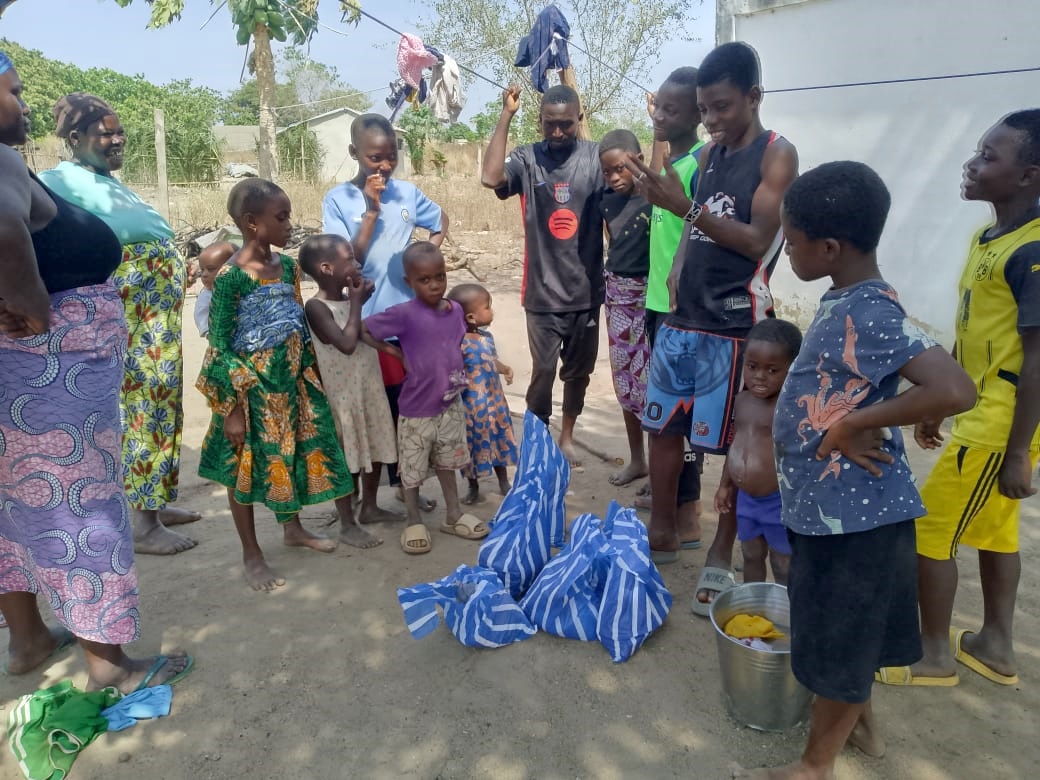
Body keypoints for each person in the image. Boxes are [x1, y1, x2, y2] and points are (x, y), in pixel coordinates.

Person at [740, 161, 976, 779]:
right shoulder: (855, 299)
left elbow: (955, 386)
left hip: (855, 527)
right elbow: (913, 359)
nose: (784, 249)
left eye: (789, 240)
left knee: (841, 644)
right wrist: (901, 406)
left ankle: (815, 766)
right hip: (836, 516)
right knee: (845, 640)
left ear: (828, 247)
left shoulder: (864, 309)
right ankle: (860, 724)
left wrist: (853, 424)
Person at [0, 52, 192, 691]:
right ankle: (109, 666)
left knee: (14, 508)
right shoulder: (1, 160)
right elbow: (6, 231)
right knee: (78, 507)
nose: (24, 104)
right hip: (47, 377)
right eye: (15, 91)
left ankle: (27, 641)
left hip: (29, 374)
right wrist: (28, 304)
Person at [627, 43, 799, 601]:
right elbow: (694, 233)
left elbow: (756, 240)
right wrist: (678, 267)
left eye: (721, 107)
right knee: (664, 427)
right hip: (684, 320)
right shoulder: (706, 158)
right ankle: (662, 529)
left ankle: (722, 546)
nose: (711, 120)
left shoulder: (777, 155)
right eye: (704, 109)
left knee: (737, 445)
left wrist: (685, 210)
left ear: (754, 97)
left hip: (737, 327)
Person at [877, 110, 1040, 688]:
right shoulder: (987, 237)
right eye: (976, 151)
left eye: (990, 157)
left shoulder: (1034, 251)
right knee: (995, 531)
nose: (972, 164)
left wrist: (1018, 451)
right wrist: (939, 398)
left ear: (1029, 176)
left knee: (930, 530)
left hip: (1000, 423)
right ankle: (995, 644)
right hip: (977, 410)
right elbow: (974, 328)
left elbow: (1037, 354)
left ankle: (932, 654)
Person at [38, 93, 199, 556]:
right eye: (105, 133)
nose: (117, 139)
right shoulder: (55, 181)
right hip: (122, 310)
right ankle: (143, 524)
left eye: (119, 130)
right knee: (144, 397)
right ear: (75, 138)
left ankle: (152, 501)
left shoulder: (108, 182)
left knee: (163, 394)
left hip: (156, 309)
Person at [197, 180, 368, 592]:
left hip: (292, 385)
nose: (290, 224)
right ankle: (251, 554)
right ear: (252, 223)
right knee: (245, 469)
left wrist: (309, 380)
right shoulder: (231, 279)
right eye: (282, 217)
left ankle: (292, 529)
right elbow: (219, 347)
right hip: (251, 394)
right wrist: (232, 411)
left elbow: (294, 325)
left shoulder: (289, 268)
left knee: (288, 456)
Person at [322, 113, 448, 513]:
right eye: (375, 157)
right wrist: (372, 211)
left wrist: (430, 253)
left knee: (409, 408)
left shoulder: (408, 193)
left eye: (391, 156)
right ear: (355, 154)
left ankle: (406, 485)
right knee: (375, 411)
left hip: (410, 321)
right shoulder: (338, 199)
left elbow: (441, 219)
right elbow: (345, 259)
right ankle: (368, 497)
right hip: (365, 324)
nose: (385, 166)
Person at [481, 84, 604, 467]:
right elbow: (490, 177)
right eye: (550, 124)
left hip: (586, 291)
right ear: (540, 121)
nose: (557, 133)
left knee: (578, 373)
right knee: (545, 370)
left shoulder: (595, 158)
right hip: (541, 292)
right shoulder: (527, 159)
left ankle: (566, 437)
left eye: (566, 125)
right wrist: (506, 114)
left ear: (579, 121)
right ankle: (538, 440)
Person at [363, 242, 488, 554]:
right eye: (425, 279)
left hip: (450, 404)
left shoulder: (455, 310)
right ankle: (414, 520)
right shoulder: (404, 314)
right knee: (412, 469)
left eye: (440, 276)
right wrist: (395, 352)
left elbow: (452, 343)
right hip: (417, 410)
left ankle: (453, 514)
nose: (435, 284)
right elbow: (364, 330)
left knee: (448, 462)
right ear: (409, 282)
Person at [632, 68, 708, 534]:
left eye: (670, 109)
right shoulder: (675, 165)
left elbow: (701, 232)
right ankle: (677, 509)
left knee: (682, 417)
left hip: (683, 309)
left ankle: (688, 513)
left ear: (698, 114)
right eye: (657, 105)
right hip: (658, 304)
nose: (659, 115)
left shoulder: (702, 165)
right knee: (667, 415)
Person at [300, 233, 402, 527]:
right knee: (347, 456)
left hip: (368, 387)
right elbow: (345, 343)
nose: (357, 264)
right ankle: (347, 520)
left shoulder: (347, 300)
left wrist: (358, 300)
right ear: (326, 268)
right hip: (343, 396)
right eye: (349, 259)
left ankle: (369, 506)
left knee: (377, 440)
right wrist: (358, 303)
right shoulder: (317, 307)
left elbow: (360, 334)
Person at [714, 318, 801, 586]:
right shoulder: (741, 401)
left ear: (792, 369)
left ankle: (789, 615)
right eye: (752, 367)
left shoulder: (789, 409)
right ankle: (755, 608)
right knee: (751, 554)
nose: (760, 376)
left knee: (782, 562)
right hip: (747, 500)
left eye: (772, 370)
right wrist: (725, 485)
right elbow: (736, 445)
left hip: (779, 502)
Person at [597, 129, 652, 488]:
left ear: (639, 161)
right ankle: (639, 460)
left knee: (652, 385)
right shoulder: (606, 201)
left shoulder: (656, 197)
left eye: (621, 168)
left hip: (652, 299)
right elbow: (611, 242)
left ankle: (664, 465)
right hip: (617, 296)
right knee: (625, 385)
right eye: (608, 172)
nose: (615, 177)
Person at [446, 283, 518, 505]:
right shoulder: (458, 343)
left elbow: (490, 359)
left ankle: (503, 481)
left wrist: (504, 368)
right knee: (473, 446)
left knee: (498, 440)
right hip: (472, 407)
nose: (492, 311)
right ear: (471, 317)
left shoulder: (487, 337)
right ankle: (473, 486)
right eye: (487, 307)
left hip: (494, 403)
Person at [194, 240, 236, 339]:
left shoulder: (239, 288)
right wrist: (208, 332)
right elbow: (201, 313)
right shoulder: (207, 295)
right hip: (221, 340)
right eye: (202, 269)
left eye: (211, 269)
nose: (204, 274)